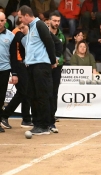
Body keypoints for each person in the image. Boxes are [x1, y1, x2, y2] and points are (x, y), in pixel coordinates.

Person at [18, 5, 57, 135]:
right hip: (32, 66)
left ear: (26, 15)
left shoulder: (40, 25)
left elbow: (50, 42)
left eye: (20, 17)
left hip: (41, 66)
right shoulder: (31, 28)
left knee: (42, 96)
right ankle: (37, 124)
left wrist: (52, 61)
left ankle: (44, 125)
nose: (20, 20)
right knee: (33, 96)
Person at [1, 20, 33, 130]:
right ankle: (5, 116)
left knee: (26, 92)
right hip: (18, 65)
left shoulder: (17, 32)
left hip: (22, 64)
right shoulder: (17, 33)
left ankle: (26, 119)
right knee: (23, 92)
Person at [48, 11, 66, 133]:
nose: (56, 23)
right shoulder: (44, 33)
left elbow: (62, 51)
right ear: (49, 21)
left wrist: (57, 62)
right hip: (45, 67)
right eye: (54, 20)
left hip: (57, 68)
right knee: (45, 93)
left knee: (54, 93)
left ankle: (51, 120)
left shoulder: (61, 35)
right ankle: (42, 119)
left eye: (58, 21)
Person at [0, 12, 15, 133]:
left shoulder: (10, 36)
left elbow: (13, 56)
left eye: (1, 20)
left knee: (1, 97)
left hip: (4, 70)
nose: (0, 23)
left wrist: (14, 73)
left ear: (5, 21)